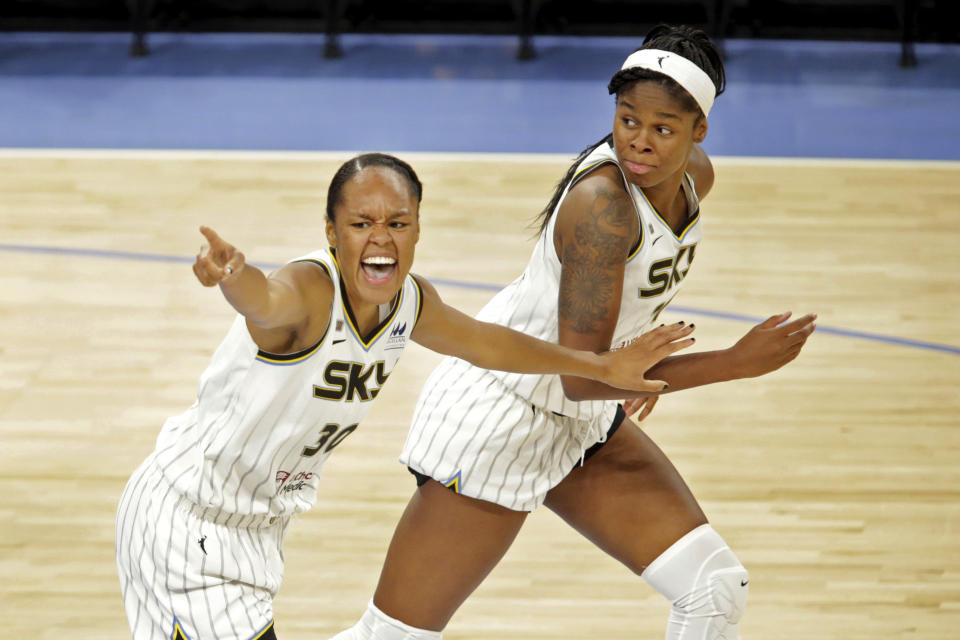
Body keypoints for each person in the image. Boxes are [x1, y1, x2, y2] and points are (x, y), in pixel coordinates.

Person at [330, 25, 817, 640]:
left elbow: (607, 351)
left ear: (699, 133)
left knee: (713, 588)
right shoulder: (602, 208)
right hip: (505, 413)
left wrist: (636, 354)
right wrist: (734, 361)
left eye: (663, 128)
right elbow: (583, 377)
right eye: (627, 118)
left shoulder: (696, 179)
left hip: (582, 411)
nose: (639, 141)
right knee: (393, 636)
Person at [114, 152, 696, 640]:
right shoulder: (308, 292)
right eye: (361, 222)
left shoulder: (409, 303)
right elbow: (263, 301)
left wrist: (596, 364)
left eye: (397, 222)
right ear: (330, 231)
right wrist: (233, 277)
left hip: (256, 529)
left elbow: (487, 344)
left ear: (417, 229)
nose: (380, 238)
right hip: (187, 520)